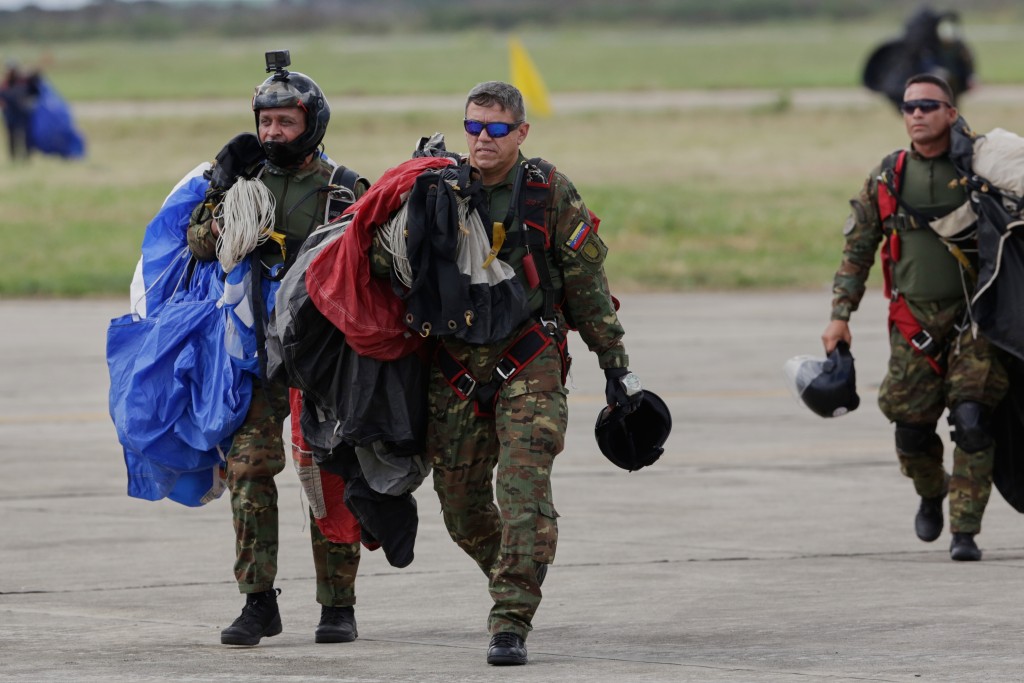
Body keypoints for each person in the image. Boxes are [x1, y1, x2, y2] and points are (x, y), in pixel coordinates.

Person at [425, 81, 643, 665]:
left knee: (522, 493)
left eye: (497, 129)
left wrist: (615, 366)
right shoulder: (436, 187)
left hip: (530, 359)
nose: (482, 139)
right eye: (473, 127)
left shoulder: (547, 191)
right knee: (460, 504)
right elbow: (386, 268)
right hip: (454, 365)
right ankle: (516, 570)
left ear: (521, 132)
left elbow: (586, 285)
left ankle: (510, 618)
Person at [186, 53, 370, 646]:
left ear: (311, 122)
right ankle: (257, 601)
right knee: (248, 469)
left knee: (326, 477)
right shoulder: (244, 183)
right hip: (257, 357)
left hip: (322, 359)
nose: (272, 133)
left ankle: (337, 605)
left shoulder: (345, 190)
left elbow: (377, 266)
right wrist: (218, 189)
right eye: (265, 121)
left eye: (285, 122)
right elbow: (196, 245)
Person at [822, 73, 1009, 562]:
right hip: (914, 322)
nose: (918, 114)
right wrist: (840, 316)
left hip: (977, 319)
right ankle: (931, 490)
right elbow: (858, 250)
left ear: (951, 112)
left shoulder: (980, 169)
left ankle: (964, 530)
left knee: (972, 418)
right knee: (910, 426)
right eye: (909, 107)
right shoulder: (887, 176)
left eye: (929, 105)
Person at [0, 61, 37, 162]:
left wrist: (32, 73)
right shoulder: (4, 85)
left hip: (22, 113)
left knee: (26, 136)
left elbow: (35, 88)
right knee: (11, 137)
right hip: (10, 114)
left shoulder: (24, 82)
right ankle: (13, 157)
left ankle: (27, 157)